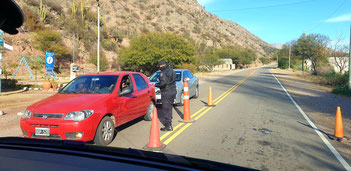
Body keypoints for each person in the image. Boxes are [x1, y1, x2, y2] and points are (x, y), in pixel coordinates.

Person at [154, 60, 177, 131]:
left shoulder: (163, 72)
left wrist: (155, 84)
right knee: (169, 107)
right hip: (173, 91)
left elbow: (163, 84)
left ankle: (168, 125)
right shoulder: (172, 70)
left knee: (166, 108)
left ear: (162, 66)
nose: (159, 68)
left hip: (166, 92)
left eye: (159, 66)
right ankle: (169, 123)